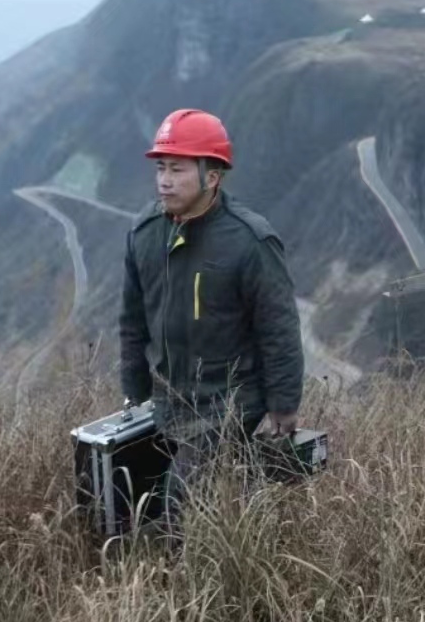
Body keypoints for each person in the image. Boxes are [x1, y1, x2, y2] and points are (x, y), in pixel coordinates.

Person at [118, 108, 304, 538]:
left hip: (230, 403)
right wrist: (135, 389)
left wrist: (284, 404)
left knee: (178, 507)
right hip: (171, 399)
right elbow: (132, 320)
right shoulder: (145, 234)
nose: (164, 180)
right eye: (161, 167)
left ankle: (163, 583)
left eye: (178, 169)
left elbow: (278, 328)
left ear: (212, 176)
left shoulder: (250, 241)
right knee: (137, 489)